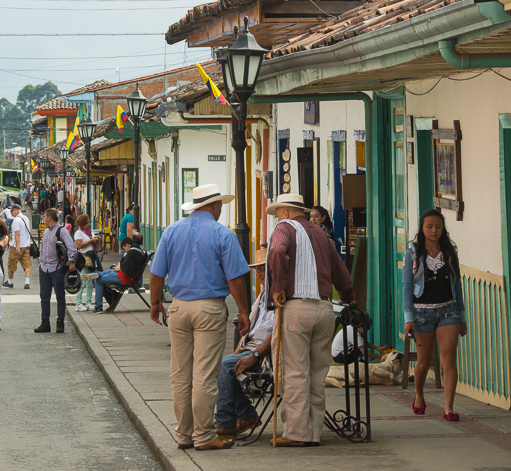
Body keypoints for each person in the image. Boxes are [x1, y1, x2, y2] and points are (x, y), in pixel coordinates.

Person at [149, 184, 251, 452]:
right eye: (220, 206)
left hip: (179, 308)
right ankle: (204, 436)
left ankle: (184, 434)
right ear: (215, 206)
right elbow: (234, 278)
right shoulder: (222, 234)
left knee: (180, 375)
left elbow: (157, 273)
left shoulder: (171, 231)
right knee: (204, 375)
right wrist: (243, 310)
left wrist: (155, 302)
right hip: (209, 309)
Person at [268, 193, 356, 448]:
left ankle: (297, 433)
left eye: (277, 214)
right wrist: (349, 298)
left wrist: (278, 287)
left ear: (285, 212)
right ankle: (314, 432)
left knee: (295, 371)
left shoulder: (284, 228)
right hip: (325, 309)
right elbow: (341, 272)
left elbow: (275, 250)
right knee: (317, 375)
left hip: (296, 307)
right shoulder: (320, 233)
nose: (277, 218)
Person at [402, 208, 466, 422]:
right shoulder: (412, 253)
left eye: (438, 227)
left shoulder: (449, 251)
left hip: (448, 310)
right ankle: (419, 394)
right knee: (423, 362)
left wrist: (462, 316)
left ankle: (449, 407)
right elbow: (407, 287)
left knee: (448, 359)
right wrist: (408, 319)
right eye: (429, 226)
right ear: (422, 228)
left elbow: (457, 285)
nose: (434, 230)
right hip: (422, 313)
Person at [215, 247, 275, 439]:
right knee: (223, 365)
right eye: (258, 270)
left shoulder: (280, 296)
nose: (261, 274)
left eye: (266, 269)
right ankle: (246, 415)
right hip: (252, 347)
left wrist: (254, 355)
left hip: (265, 354)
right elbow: (252, 327)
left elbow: (278, 334)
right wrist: (242, 345)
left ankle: (226, 422)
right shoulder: (263, 294)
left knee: (224, 366)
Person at [35, 208, 78, 334]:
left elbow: (71, 246)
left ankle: (60, 322)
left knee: (60, 296)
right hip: (45, 268)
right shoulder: (46, 232)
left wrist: (71, 261)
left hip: (57, 268)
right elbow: (43, 247)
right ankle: (45, 323)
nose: (43, 218)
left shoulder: (61, 230)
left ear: (49, 217)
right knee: (44, 296)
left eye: (44, 216)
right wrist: (41, 261)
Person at [90, 233, 148, 313]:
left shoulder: (133, 252)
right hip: (125, 275)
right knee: (102, 275)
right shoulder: (141, 250)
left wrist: (118, 268)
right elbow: (129, 267)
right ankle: (99, 277)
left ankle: (98, 307)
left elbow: (127, 270)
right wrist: (118, 268)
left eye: (124, 249)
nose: (124, 251)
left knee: (98, 280)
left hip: (124, 277)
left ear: (128, 245)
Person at [73, 214, 103, 311]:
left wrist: (97, 240)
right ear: (82, 223)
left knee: (90, 281)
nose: (89, 224)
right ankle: (78, 303)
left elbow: (94, 244)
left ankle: (88, 302)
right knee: (82, 280)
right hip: (83, 259)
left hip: (92, 258)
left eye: (89, 222)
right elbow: (78, 245)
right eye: (87, 223)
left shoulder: (90, 232)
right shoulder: (78, 233)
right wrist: (91, 241)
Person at [5, 203, 34, 289]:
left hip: (16, 246)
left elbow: (17, 234)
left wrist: (17, 248)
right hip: (26, 245)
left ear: (18, 210)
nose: (11, 212)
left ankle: (10, 282)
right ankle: (27, 282)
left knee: (11, 263)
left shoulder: (16, 221)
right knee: (27, 264)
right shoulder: (26, 218)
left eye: (12, 210)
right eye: (10, 211)